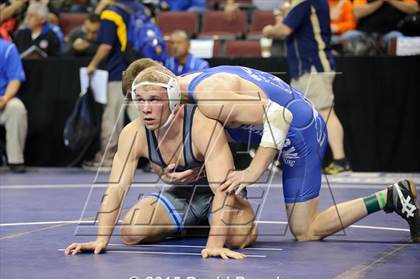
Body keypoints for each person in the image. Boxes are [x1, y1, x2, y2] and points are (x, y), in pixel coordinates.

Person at [120, 59, 420, 243]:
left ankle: (390, 197)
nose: (145, 108)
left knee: (306, 230)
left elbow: (279, 117)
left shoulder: (208, 97)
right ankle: (393, 196)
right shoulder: (185, 99)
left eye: (149, 99)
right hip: (268, 128)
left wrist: (253, 171)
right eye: (139, 100)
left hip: (296, 130)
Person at [65, 65, 257, 259]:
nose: (146, 109)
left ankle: (232, 212)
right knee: (131, 233)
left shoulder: (202, 125)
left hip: (218, 190)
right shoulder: (133, 133)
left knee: (237, 238)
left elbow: (223, 188)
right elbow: (116, 187)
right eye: (140, 100)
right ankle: (194, 222)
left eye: (154, 100)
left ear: (173, 99)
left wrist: (215, 244)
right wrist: (101, 239)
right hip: (182, 193)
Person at [262, 0, 350, 175]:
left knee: (325, 112)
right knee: (295, 114)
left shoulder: (306, 2)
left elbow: (284, 29)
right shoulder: (300, 4)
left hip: (314, 65)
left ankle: (341, 161)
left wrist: (268, 30)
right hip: (303, 67)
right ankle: (288, 160)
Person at [83, 0, 143, 170]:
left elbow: (106, 46)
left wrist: (93, 64)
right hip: (138, 69)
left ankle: (107, 158)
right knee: (142, 115)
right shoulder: (137, 8)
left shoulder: (111, 13)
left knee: (112, 117)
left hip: (119, 72)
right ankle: (161, 155)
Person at [0, 38, 28, 173]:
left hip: (2, 101)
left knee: (16, 108)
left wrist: (5, 99)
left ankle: (15, 160)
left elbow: (15, 78)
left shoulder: (7, 49)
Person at [351, 0, 419, 48]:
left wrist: (391, 1)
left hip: (390, 33)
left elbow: (414, 9)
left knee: (397, 38)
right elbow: (357, 13)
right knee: (349, 36)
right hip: (365, 33)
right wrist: (380, 2)